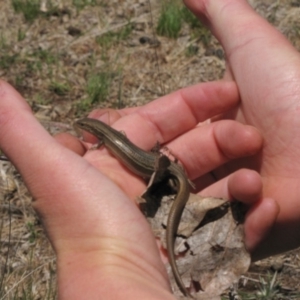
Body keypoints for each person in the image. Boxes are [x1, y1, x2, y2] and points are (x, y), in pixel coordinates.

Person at [0, 0, 299, 298]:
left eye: (86, 128)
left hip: (159, 169)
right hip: (160, 168)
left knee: (174, 180)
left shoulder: (103, 141)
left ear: (93, 134)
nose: (84, 129)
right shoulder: (108, 137)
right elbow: (123, 144)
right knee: (174, 179)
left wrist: (110, 265)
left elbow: (118, 145)